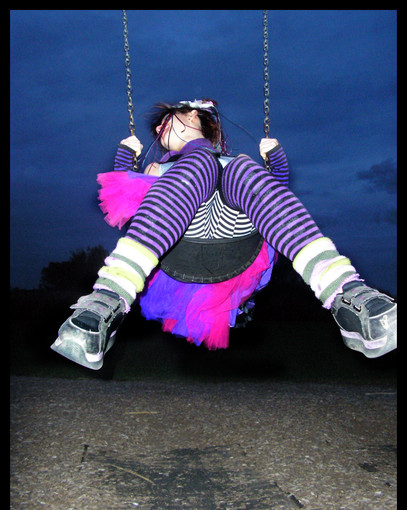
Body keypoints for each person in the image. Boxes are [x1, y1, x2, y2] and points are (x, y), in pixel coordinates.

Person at [51, 99, 397, 370]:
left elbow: (276, 195)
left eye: (168, 119)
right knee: (201, 163)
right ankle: (106, 302)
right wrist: (127, 158)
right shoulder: (160, 168)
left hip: (237, 243)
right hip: (181, 244)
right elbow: (124, 203)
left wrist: (275, 159)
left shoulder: (232, 166)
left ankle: (349, 297)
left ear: (195, 117)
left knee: (240, 166)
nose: (158, 127)